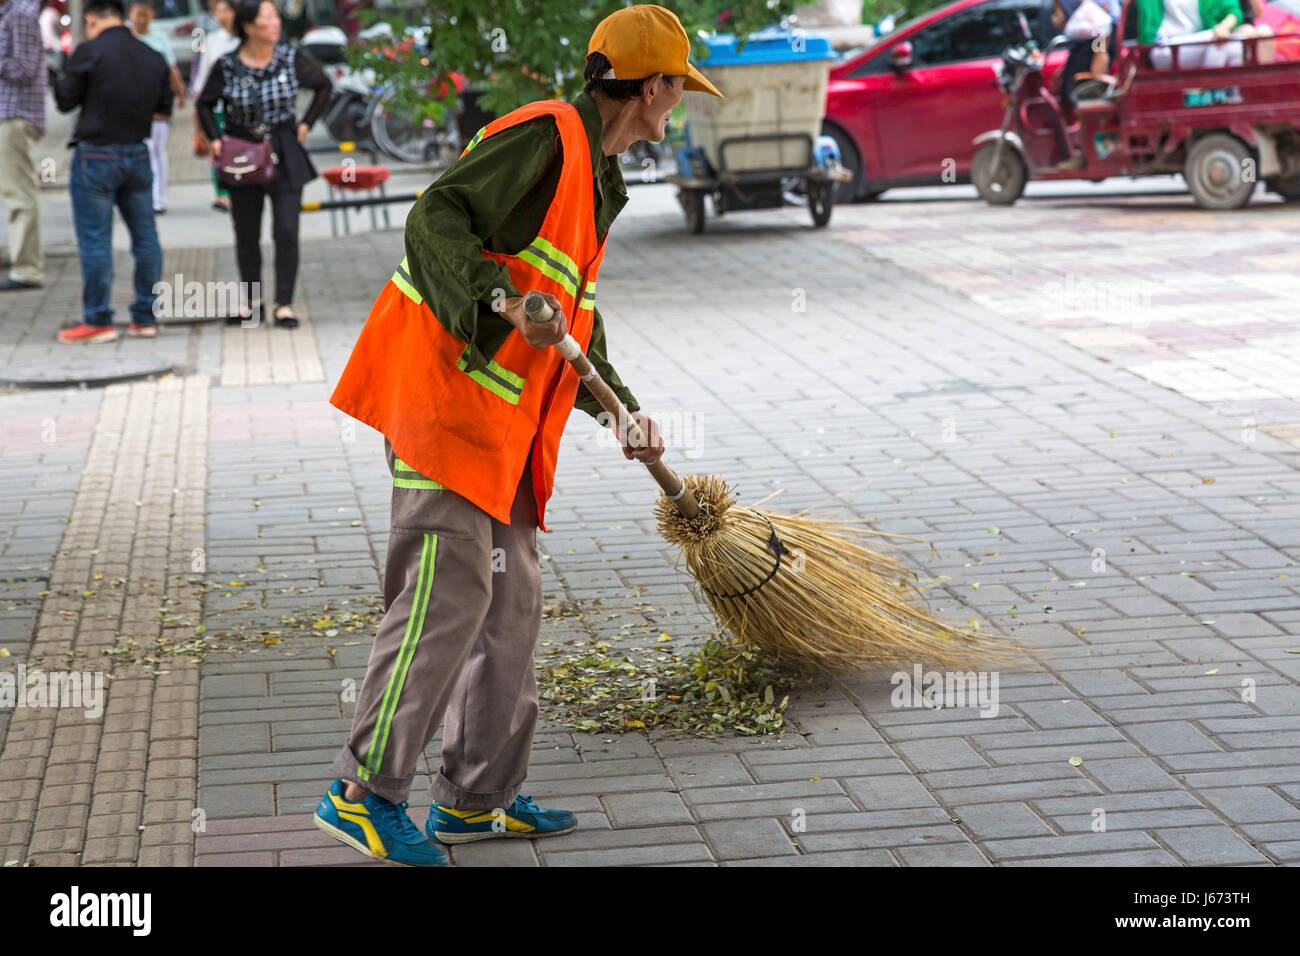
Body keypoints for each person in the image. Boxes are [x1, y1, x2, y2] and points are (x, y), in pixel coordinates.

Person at [314, 3, 721, 867]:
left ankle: (475, 796)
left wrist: (623, 411)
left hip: (500, 432)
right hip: (441, 406)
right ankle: (361, 794)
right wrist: (497, 302)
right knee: (447, 592)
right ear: (651, 87)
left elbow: (572, 316)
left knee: (511, 606)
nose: (678, 105)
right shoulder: (543, 138)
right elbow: (434, 219)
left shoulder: (598, 175)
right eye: (678, 90)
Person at [195, 0, 329, 328]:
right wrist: (215, 137)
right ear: (249, 27)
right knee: (246, 232)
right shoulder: (227, 65)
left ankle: (284, 304)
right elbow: (204, 103)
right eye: (267, 18)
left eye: (274, 16)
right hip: (243, 153)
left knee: (286, 229)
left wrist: (306, 124)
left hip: (284, 149)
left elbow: (324, 86)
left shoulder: (289, 57)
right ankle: (253, 304)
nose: (275, 23)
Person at [53, 0, 170, 343]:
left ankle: (98, 319)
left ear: (90, 20)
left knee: (95, 240)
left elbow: (65, 101)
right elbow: (163, 108)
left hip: (96, 156)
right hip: (138, 152)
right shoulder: (152, 55)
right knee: (146, 238)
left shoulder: (89, 52)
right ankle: (146, 317)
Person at [0, 0, 47, 293]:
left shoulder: (20, 15)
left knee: (19, 193)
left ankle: (27, 269)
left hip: (13, 115)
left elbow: (25, 67)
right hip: (7, 115)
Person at [128, 0, 185, 214]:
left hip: (158, 101)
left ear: (151, 15)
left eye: (145, 14)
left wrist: (181, 92)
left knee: (155, 149)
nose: (141, 19)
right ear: (130, 15)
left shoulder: (159, 38)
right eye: (137, 14)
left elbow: (172, 68)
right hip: (131, 102)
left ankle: (158, 198)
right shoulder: (125, 38)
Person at [189, 0, 238, 212]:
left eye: (226, 10)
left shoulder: (243, 39)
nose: (223, 15)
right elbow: (201, 76)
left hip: (239, 106)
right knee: (217, 148)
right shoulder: (208, 39)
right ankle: (222, 194)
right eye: (218, 11)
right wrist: (196, 106)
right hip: (215, 105)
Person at [1138, 0, 1245, 69]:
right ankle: (1210, 94)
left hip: (1200, 42)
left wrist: (1223, 27)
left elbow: (1234, 11)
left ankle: (1233, 97)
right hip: (1164, 47)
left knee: (1234, 43)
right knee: (1217, 41)